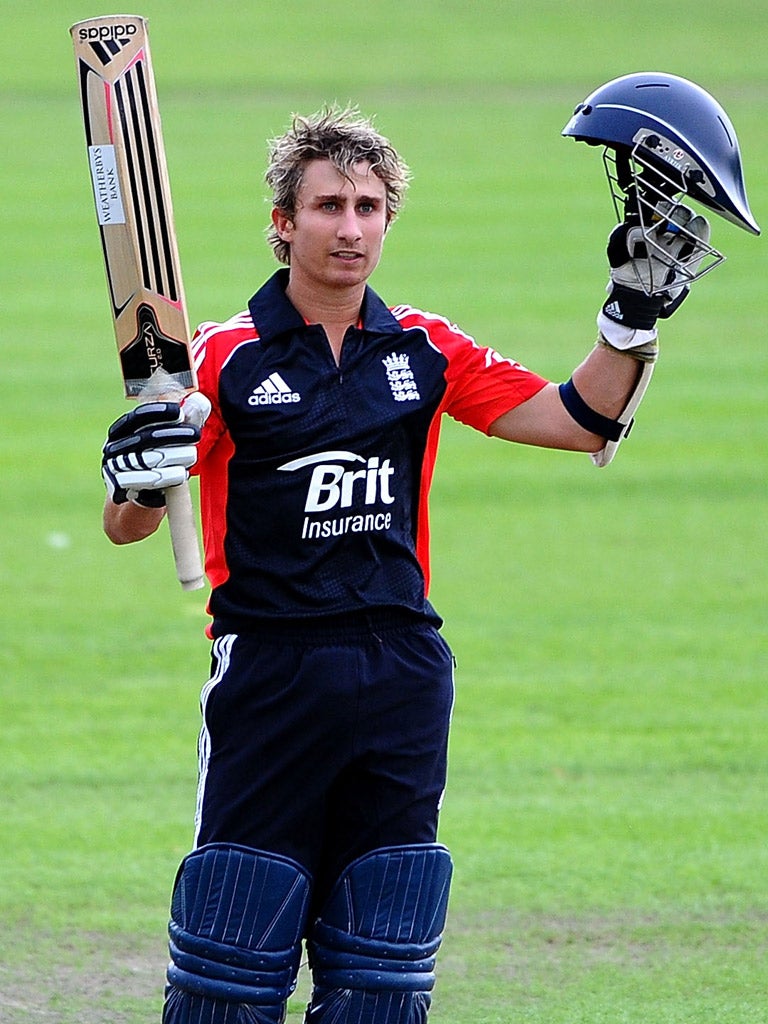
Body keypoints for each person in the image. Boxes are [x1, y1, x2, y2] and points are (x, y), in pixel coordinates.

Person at [99, 92, 743, 1024]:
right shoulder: (216, 360)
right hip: (270, 672)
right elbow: (129, 527)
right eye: (328, 207)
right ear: (285, 224)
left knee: (383, 977)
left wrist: (630, 318)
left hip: (401, 672)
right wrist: (134, 474)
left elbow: (578, 419)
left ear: (389, 219)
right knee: (228, 974)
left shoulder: (425, 348)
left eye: (369, 209)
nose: (350, 230)